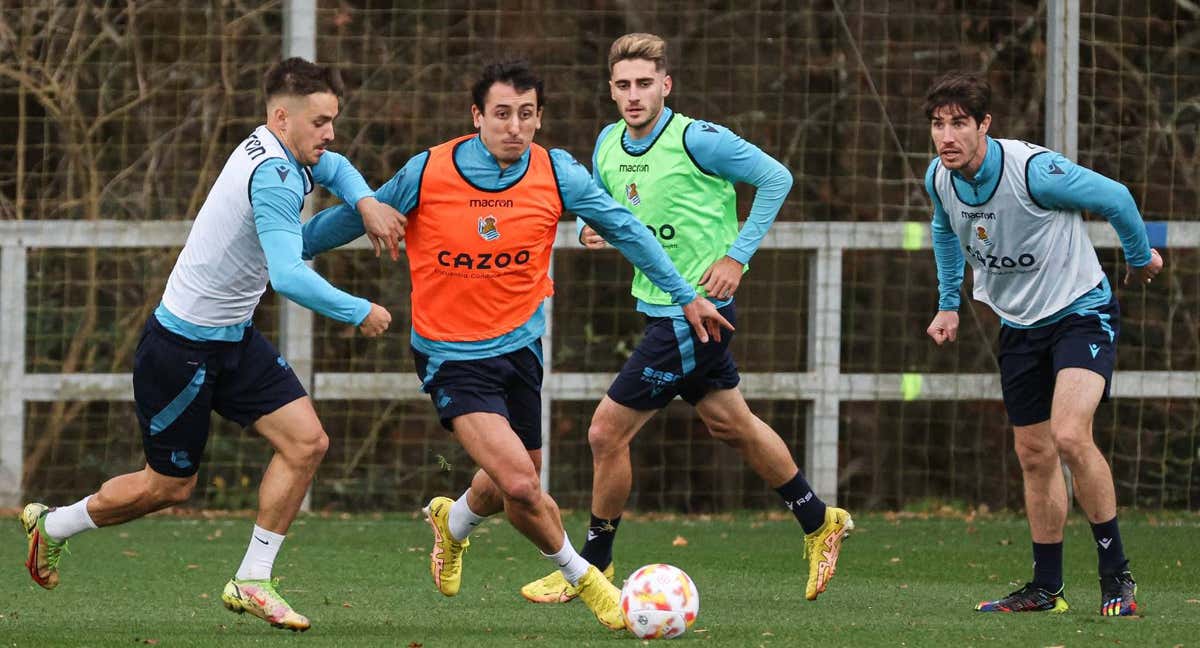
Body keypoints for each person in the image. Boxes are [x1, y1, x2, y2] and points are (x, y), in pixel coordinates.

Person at [305, 58, 732, 631]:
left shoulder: (557, 173)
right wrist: (283, 246)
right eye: (501, 114)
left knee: (510, 475)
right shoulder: (429, 170)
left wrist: (684, 295)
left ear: (538, 118)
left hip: (520, 350)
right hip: (450, 355)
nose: (514, 126)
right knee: (522, 485)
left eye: (526, 115)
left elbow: (627, 230)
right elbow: (362, 217)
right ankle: (590, 581)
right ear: (477, 115)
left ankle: (451, 524)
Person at [19, 57, 405, 632]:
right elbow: (289, 274)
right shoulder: (272, 175)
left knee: (307, 443)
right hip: (179, 352)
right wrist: (360, 311)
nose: (330, 134)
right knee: (169, 487)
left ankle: (252, 578)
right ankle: (54, 526)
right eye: (320, 122)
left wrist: (367, 202)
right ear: (282, 118)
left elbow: (338, 169)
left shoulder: (282, 150)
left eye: (332, 120)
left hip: (233, 340)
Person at [519, 32, 854, 606]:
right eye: (623, 85)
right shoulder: (606, 142)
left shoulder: (697, 139)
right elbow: (602, 205)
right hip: (658, 307)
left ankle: (593, 565)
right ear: (611, 89)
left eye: (644, 84)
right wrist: (588, 229)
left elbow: (777, 179)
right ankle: (819, 519)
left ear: (666, 85)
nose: (633, 95)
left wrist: (736, 256)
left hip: (694, 313)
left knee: (605, 432)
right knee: (732, 422)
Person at [921, 71, 1162, 616]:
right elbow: (943, 227)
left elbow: (1117, 197)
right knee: (1033, 453)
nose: (946, 136)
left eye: (959, 123)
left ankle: (1116, 580)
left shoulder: (1033, 171)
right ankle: (1046, 589)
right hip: (1020, 326)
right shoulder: (940, 177)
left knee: (1071, 435)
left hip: (1081, 310)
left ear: (985, 124)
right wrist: (948, 302)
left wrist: (1139, 256)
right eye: (938, 124)